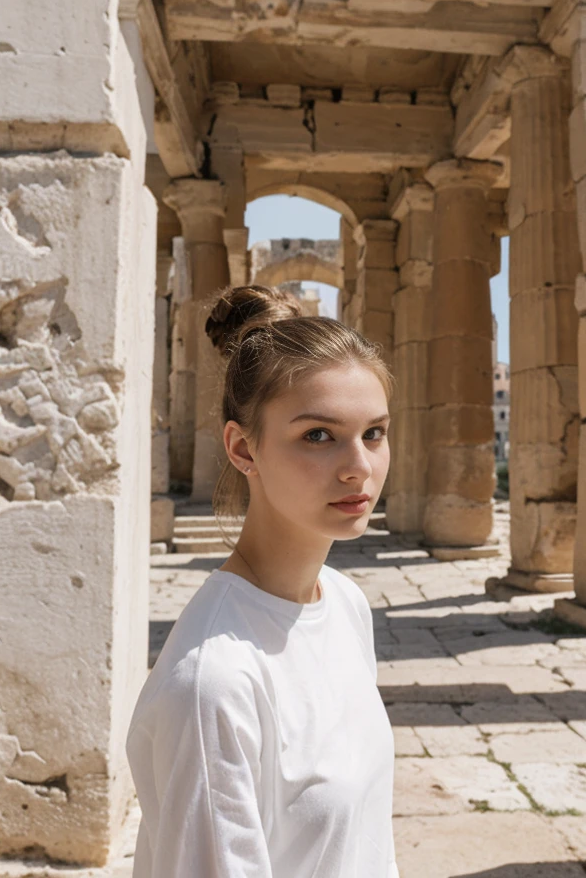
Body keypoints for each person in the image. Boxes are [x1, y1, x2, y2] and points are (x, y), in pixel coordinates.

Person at [126, 285, 400, 877]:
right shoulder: (212, 687)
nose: (360, 465)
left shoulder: (345, 604)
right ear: (243, 447)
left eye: (374, 432)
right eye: (318, 435)